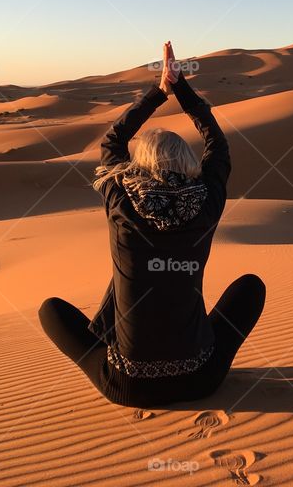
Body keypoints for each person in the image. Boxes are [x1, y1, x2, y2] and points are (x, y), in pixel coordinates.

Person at [39, 41, 266, 408]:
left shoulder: (121, 200)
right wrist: (182, 89)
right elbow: (218, 146)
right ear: (190, 163)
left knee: (50, 310)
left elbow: (112, 142)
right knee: (250, 288)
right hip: (201, 379)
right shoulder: (206, 203)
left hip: (127, 385)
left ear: (136, 166)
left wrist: (158, 91)